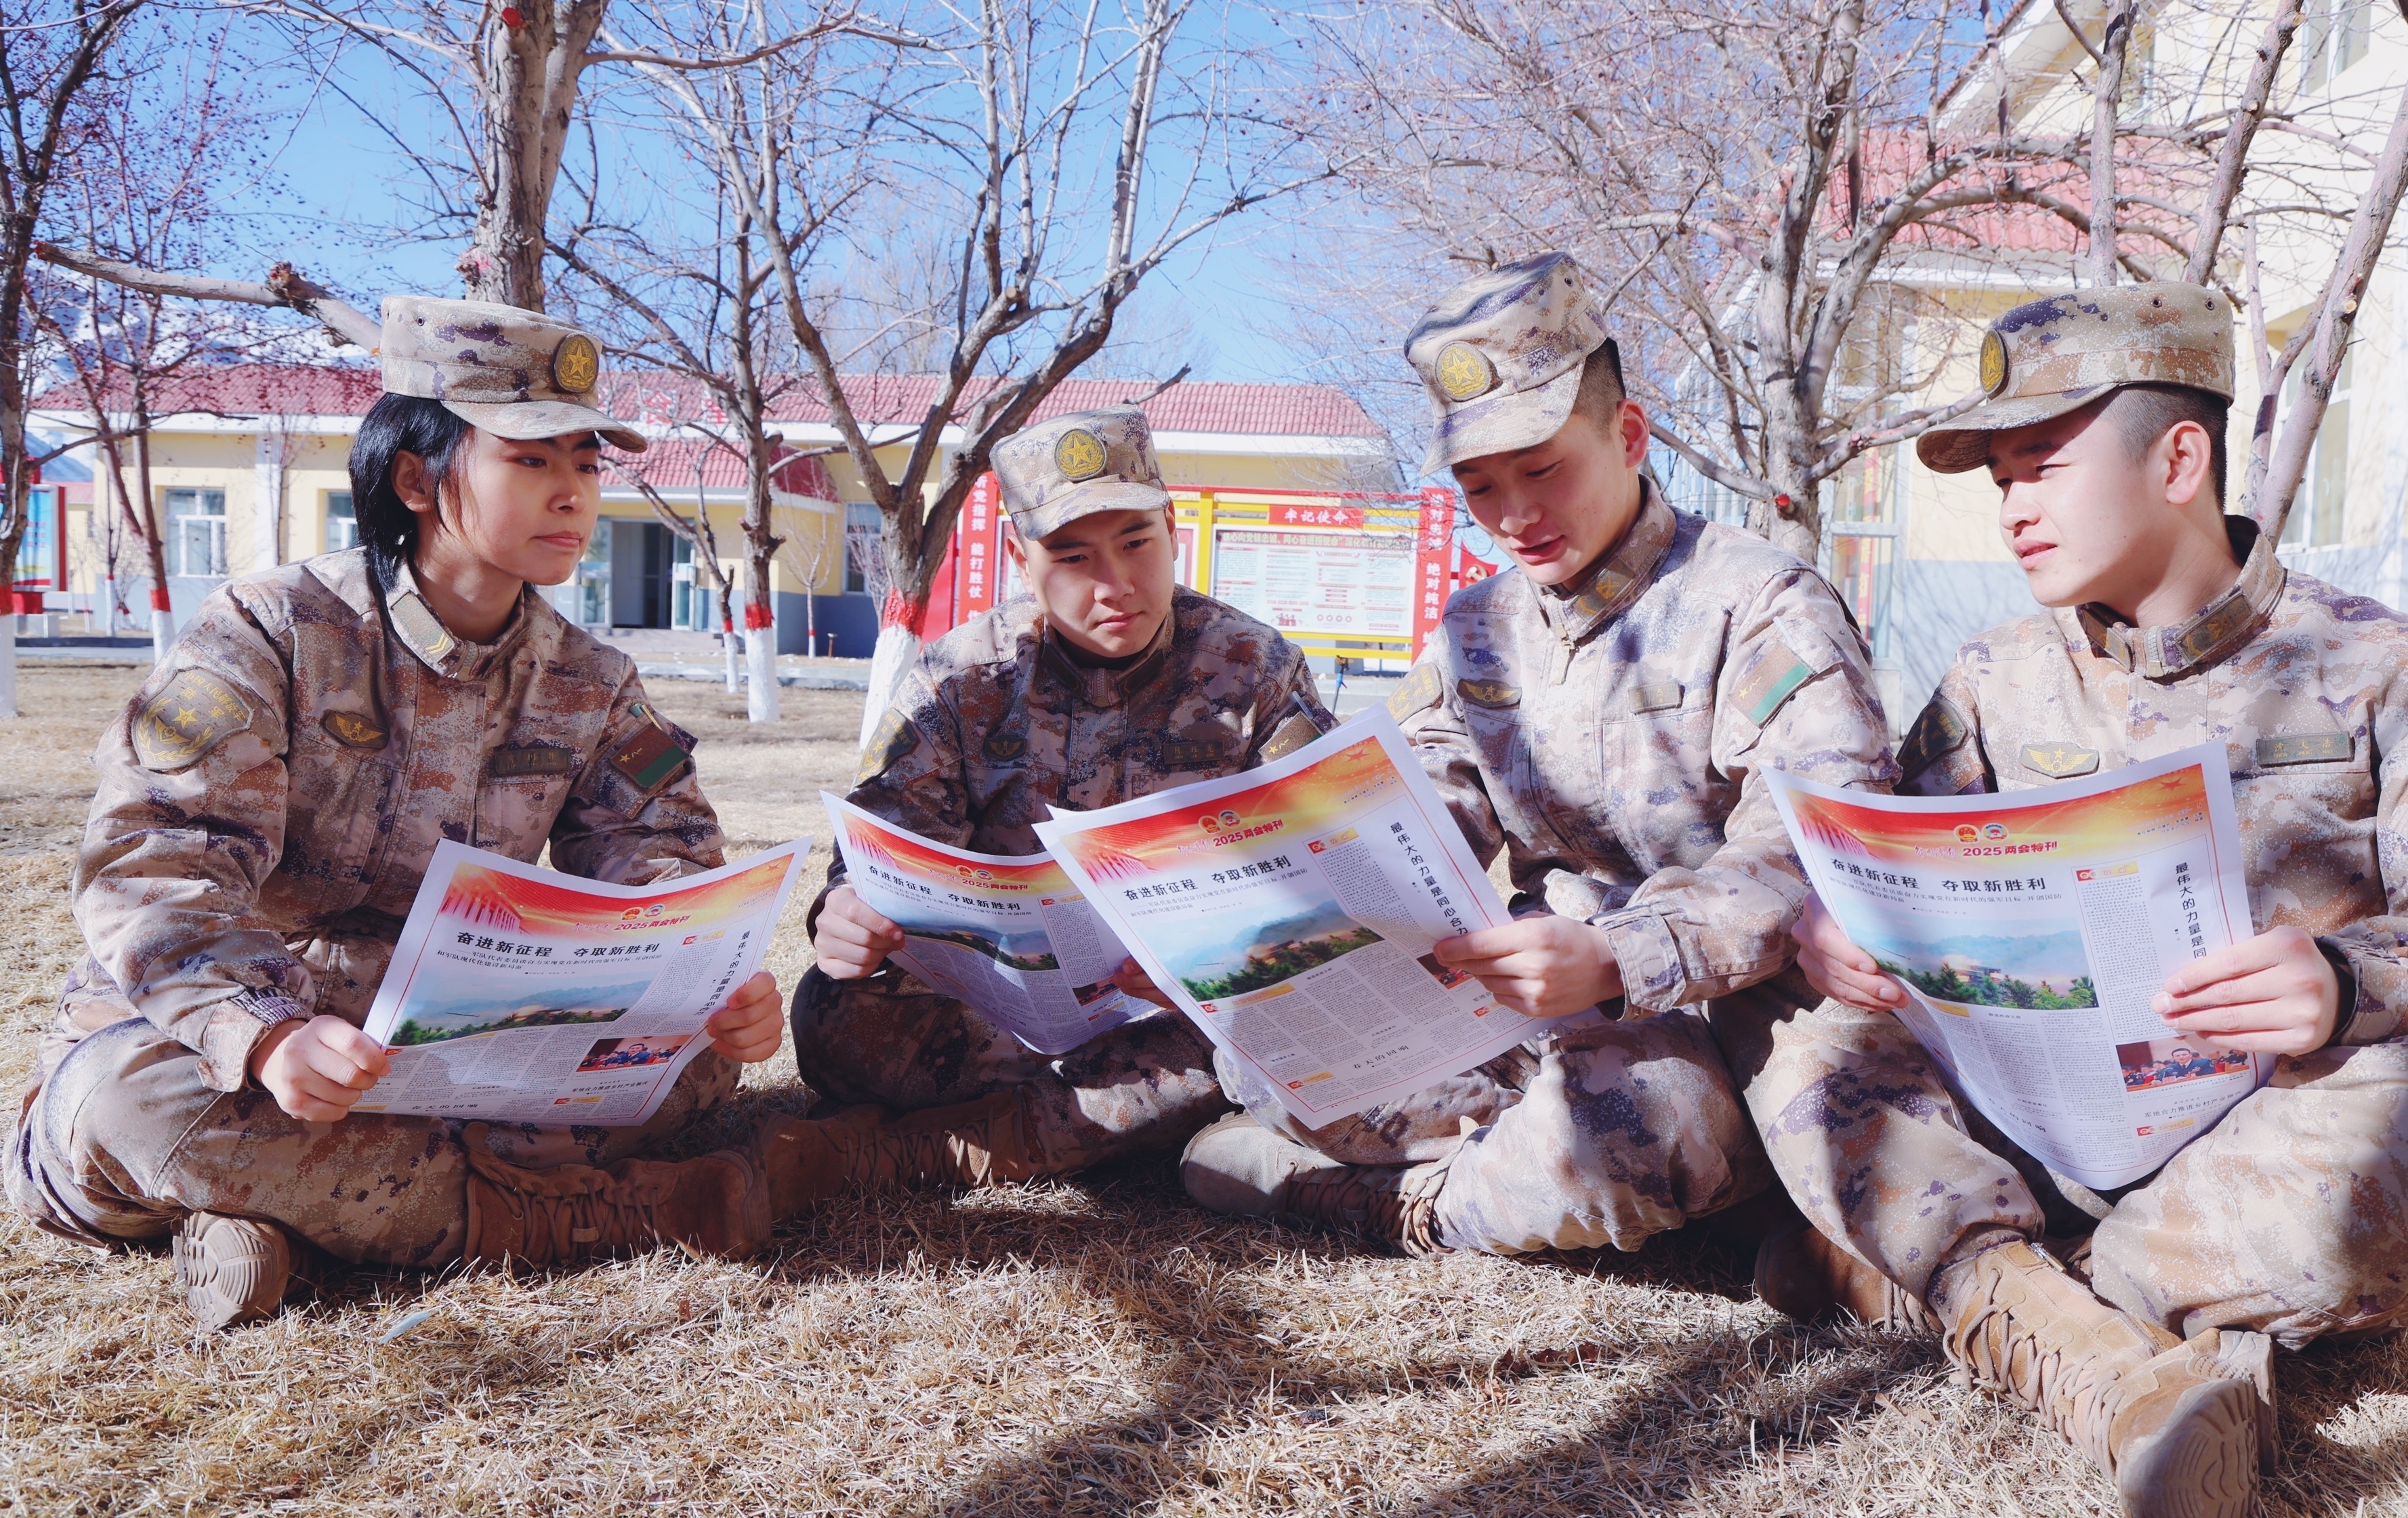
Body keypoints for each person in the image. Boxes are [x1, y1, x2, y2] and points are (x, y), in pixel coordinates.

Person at [1764, 282, 2408, 1517]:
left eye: (2041, 467)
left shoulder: (2389, 673)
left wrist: (2348, 980)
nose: (2012, 509)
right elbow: (1892, 872)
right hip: (2027, 1119)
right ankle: (2109, 1351)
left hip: (2259, 1131)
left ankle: (1976, 1281)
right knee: (1810, 1060)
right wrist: (1841, 932)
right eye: (1998, 478)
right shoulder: (1991, 681)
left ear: (2177, 457)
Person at [3, 297, 869, 1332]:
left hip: (448, 1038)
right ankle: (591, 1215)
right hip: (244, 1032)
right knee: (125, 1108)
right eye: (533, 460)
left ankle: (295, 1216)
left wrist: (709, 984)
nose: (574, 496)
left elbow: (661, 857)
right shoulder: (270, 631)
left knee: (696, 1071)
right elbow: (157, 861)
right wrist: (267, 1034)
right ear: (418, 478)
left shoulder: (589, 680)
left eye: (587, 466)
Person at [1179, 252, 1898, 1259]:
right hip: (1520, 1006)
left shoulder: (1762, 602)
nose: (1515, 515)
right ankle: (1522, 1174)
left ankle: (1361, 1200)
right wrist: (1272, 892)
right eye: (1480, 486)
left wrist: (1618, 957)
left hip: (1712, 1018)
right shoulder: (1479, 627)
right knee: (1262, 1047)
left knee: (1654, 1127)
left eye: (1544, 469)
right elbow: (1422, 800)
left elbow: (1814, 842)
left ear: (1630, 434)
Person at [786, 403, 1334, 1194]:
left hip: (1180, 1010)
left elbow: (1326, 866)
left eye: (1137, 544)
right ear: (1021, 557)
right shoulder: (959, 679)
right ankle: (1127, 1125)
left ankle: (949, 1148)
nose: (1114, 585)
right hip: (1000, 1016)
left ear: (1174, 527)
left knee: (1272, 1033)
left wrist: (1213, 958)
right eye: (1073, 556)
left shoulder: (1255, 668)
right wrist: (847, 915)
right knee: (834, 1018)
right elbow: (882, 850)